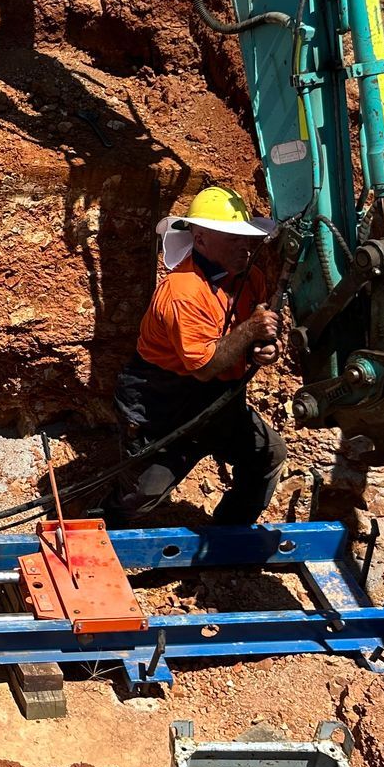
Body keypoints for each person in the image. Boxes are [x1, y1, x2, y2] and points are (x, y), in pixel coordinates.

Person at [105, 186, 288, 526]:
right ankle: (110, 530)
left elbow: (249, 337)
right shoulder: (184, 292)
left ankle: (230, 534)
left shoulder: (251, 279)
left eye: (245, 238)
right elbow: (203, 366)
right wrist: (249, 332)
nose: (244, 246)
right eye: (232, 238)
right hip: (164, 405)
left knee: (268, 454)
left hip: (218, 400)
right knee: (140, 496)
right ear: (201, 240)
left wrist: (264, 348)